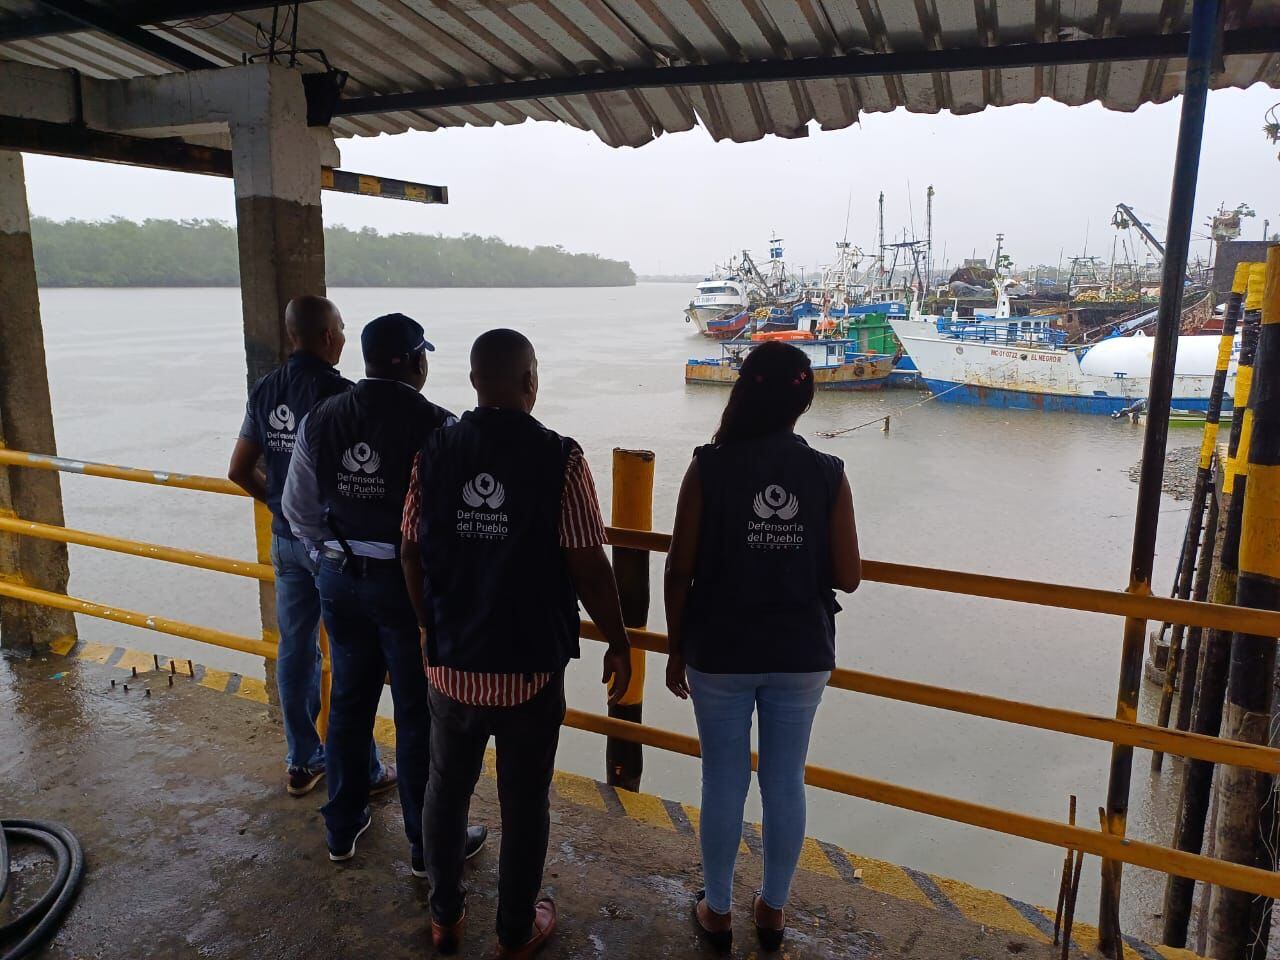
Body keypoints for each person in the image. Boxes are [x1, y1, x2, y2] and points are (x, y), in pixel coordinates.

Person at [401, 328, 632, 959]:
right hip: (529, 670)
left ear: (474, 381)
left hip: (451, 668)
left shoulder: (435, 450)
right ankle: (513, 930)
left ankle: (445, 918)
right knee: (524, 802)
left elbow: (411, 552)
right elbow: (588, 564)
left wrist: (429, 625)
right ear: (531, 382)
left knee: (445, 791)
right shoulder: (561, 459)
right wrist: (618, 640)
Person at [663, 341, 861, 953]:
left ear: (742, 390)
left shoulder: (709, 466)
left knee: (723, 780)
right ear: (804, 398)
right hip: (800, 650)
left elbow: (678, 571)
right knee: (785, 782)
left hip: (719, 648)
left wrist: (675, 648)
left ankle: (717, 912)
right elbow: (849, 575)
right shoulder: (827, 473)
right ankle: (772, 912)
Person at [281, 312, 486, 871]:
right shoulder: (440, 427)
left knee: (348, 701)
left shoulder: (321, 418)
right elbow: (453, 527)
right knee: (418, 713)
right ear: (417, 361)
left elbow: (298, 510)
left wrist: (335, 553)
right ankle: (426, 845)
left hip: (341, 581)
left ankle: (341, 831)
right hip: (409, 590)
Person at [227, 294, 393, 799]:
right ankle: (361, 770)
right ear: (326, 337)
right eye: (341, 329)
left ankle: (302, 760)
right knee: (351, 658)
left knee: (295, 650)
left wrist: (279, 507)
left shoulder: (265, 389)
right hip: (331, 547)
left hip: (284, 539)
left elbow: (238, 469)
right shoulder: (342, 397)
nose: (344, 337)